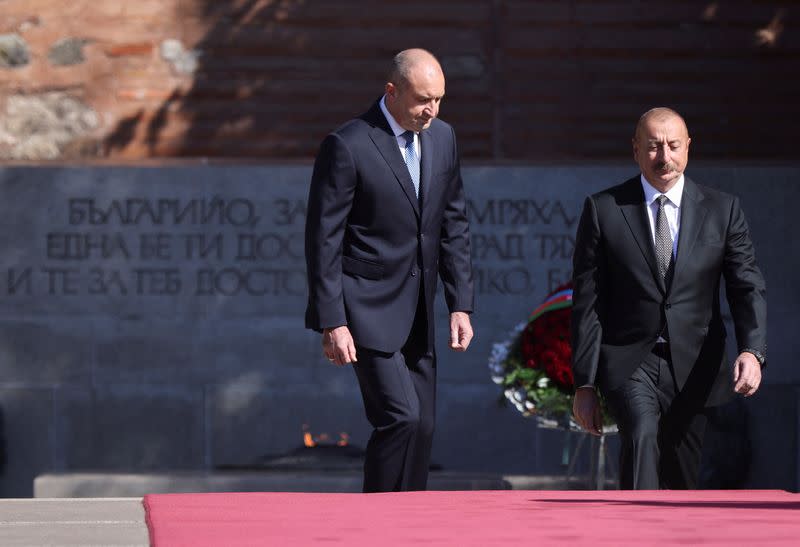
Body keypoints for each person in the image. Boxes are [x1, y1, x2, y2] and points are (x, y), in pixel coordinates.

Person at [304, 49, 475, 492]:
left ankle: (407, 526)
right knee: (401, 418)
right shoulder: (348, 144)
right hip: (366, 308)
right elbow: (323, 238)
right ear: (392, 92)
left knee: (423, 428)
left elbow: (452, 222)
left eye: (439, 99)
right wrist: (332, 320)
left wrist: (461, 303)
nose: (431, 111)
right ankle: (375, 522)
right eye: (422, 100)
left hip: (419, 310)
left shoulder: (443, 138)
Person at [570, 107, 767, 489]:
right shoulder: (605, 210)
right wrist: (585, 384)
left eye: (673, 146)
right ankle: (635, 533)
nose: (665, 157)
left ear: (688, 147)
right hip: (630, 358)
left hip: (695, 364)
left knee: (681, 471)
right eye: (654, 147)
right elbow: (588, 302)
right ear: (636, 150)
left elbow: (746, 284)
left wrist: (752, 350)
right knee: (641, 435)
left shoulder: (722, 210)